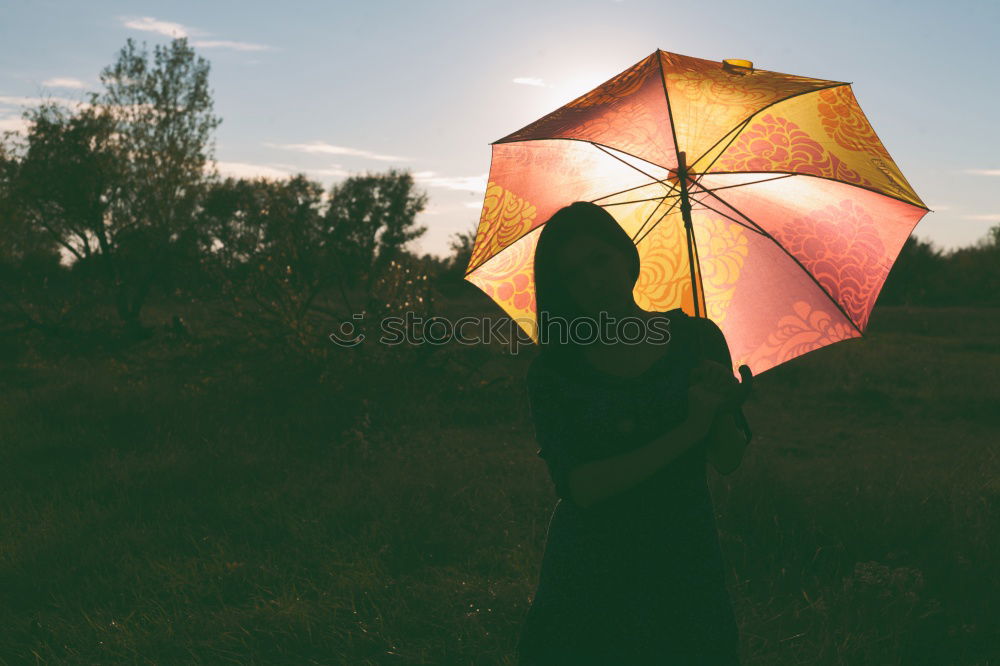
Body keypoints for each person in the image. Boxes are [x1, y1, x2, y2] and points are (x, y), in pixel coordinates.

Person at [514, 201, 754, 665]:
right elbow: (582, 487)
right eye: (572, 275)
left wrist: (720, 406)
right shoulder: (556, 371)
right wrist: (690, 428)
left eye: (599, 260)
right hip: (590, 572)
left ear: (626, 254)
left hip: (683, 560)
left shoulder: (698, 340)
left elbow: (727, 459)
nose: (592, 281)